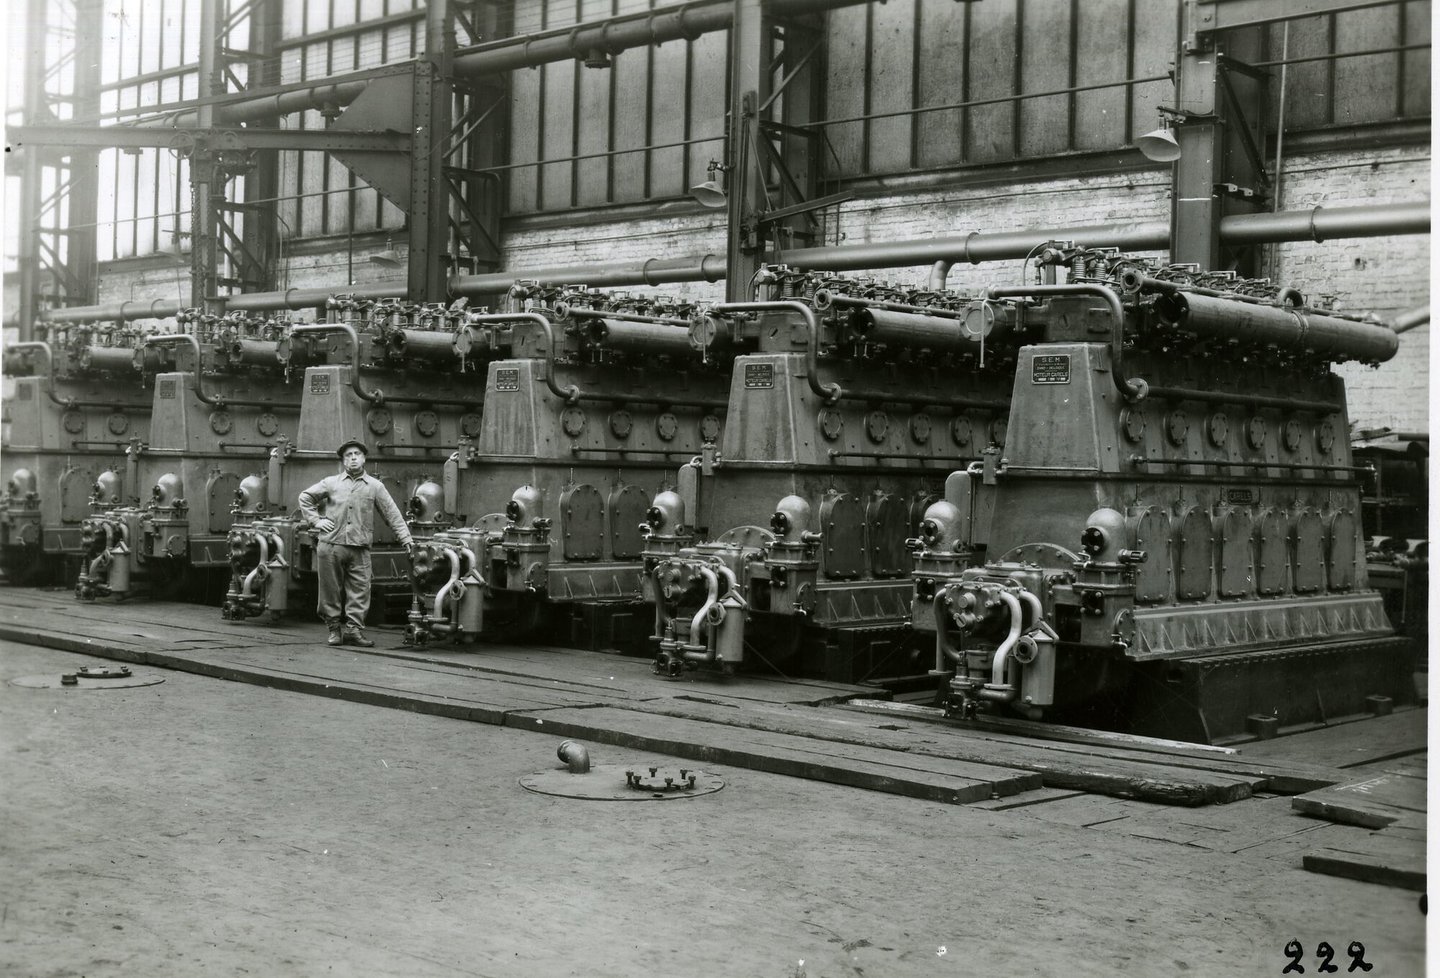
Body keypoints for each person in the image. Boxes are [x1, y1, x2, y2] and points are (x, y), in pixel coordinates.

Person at [297, 439, 414, 647]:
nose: (353, 458)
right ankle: (334, 629)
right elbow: (305, 497)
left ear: (364, 458)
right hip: (331, 545)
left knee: (360, 589)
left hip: (359, 548)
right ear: (343, 460)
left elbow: (392, 514)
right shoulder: (331, 483)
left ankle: (353, 630)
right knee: (329, 590)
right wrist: (316, 521)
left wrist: (405, 538)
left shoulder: (375, 487)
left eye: (356, 454)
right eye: (348, 455)